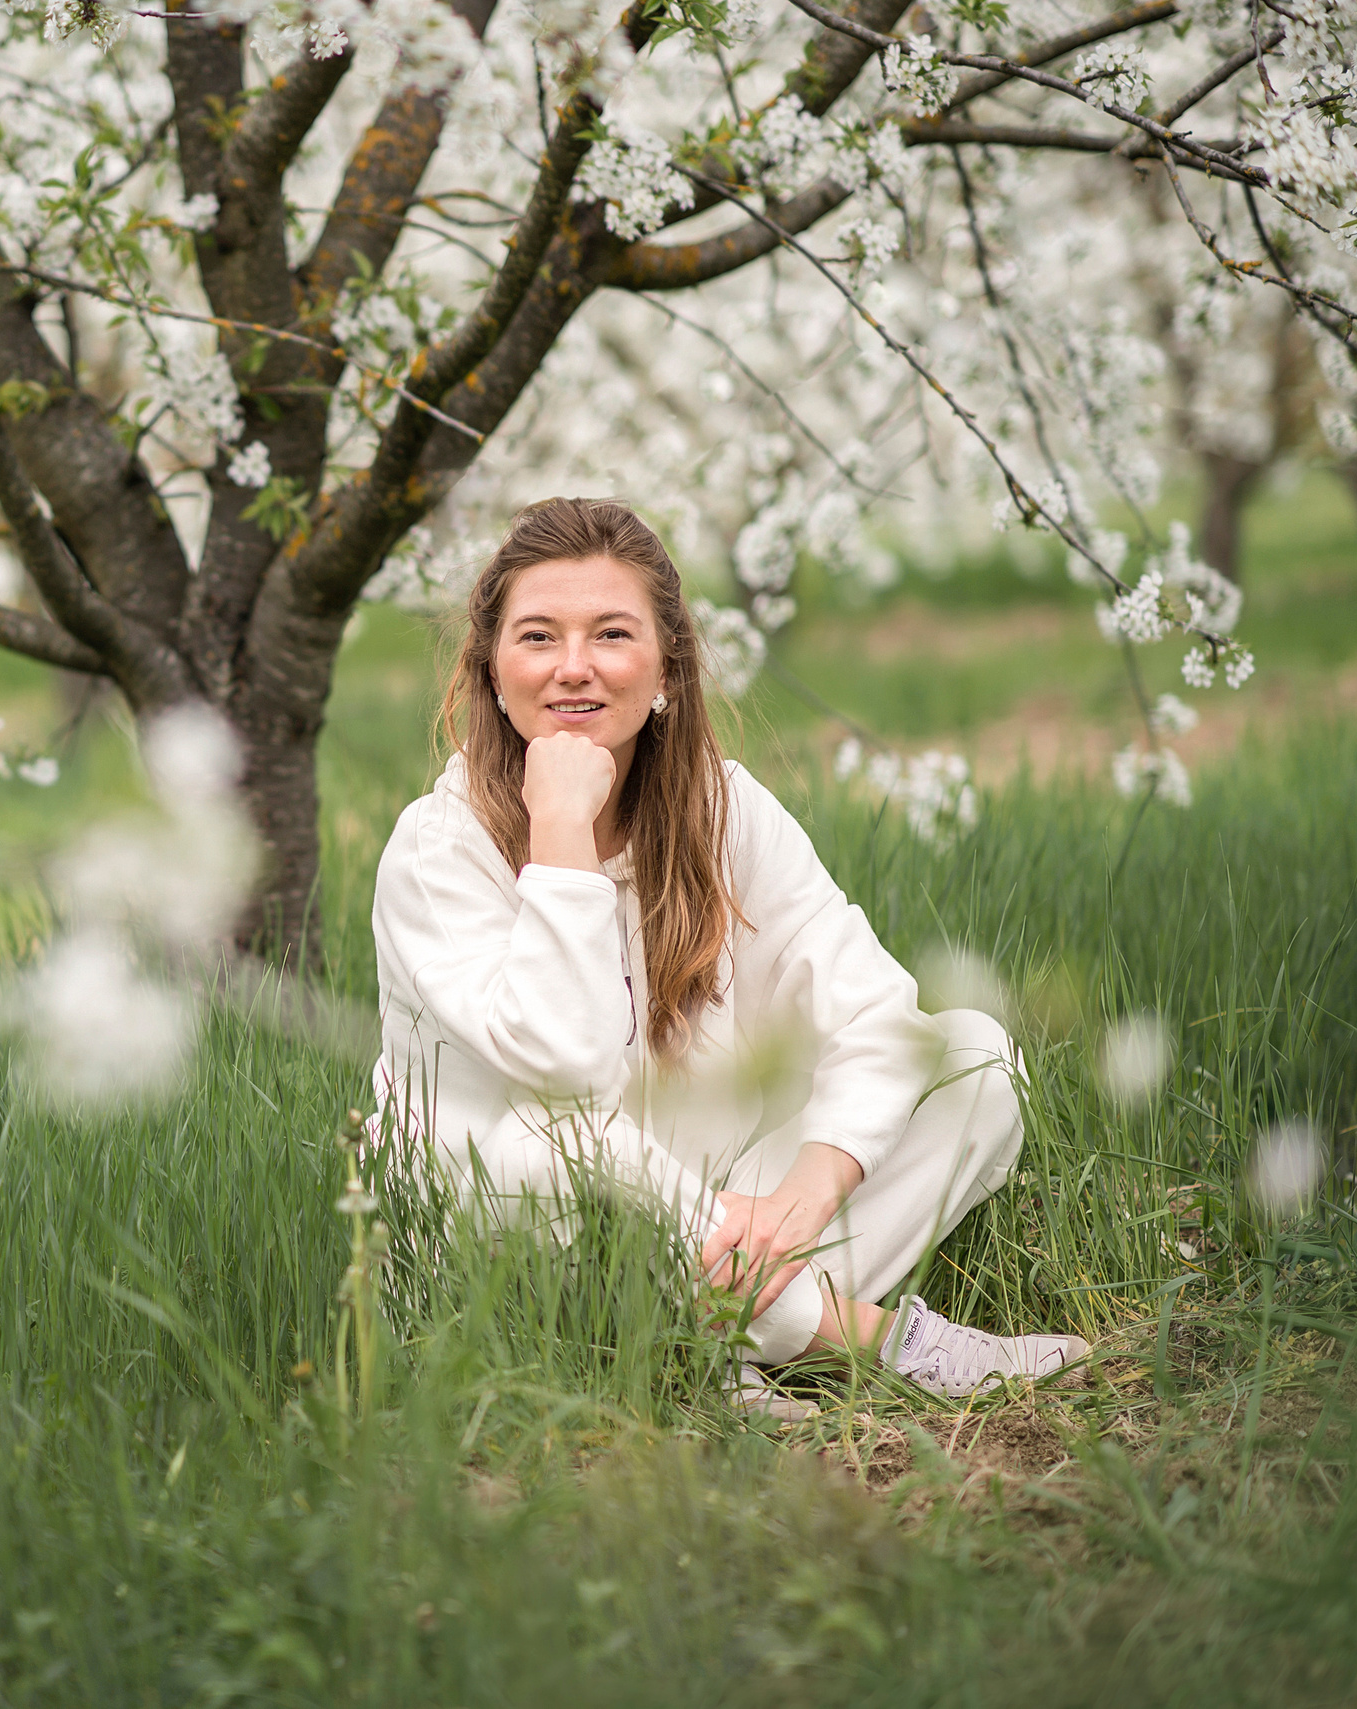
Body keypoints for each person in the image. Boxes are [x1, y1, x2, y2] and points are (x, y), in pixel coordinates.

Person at [369, 497, 1087, 1415]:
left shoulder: (720, 807)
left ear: (666, 665)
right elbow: (566, 1073)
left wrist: (806, 1193)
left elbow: (874, 1010)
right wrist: (560, 829)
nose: (574, 667)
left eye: (611, 633)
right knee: (554, 1138)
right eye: (538, 636)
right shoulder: (440, 849)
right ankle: (869, 1340)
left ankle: (713, 1350)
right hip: (524, 1256)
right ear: (493, 669)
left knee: (974, 1056)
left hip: (710, 1217)